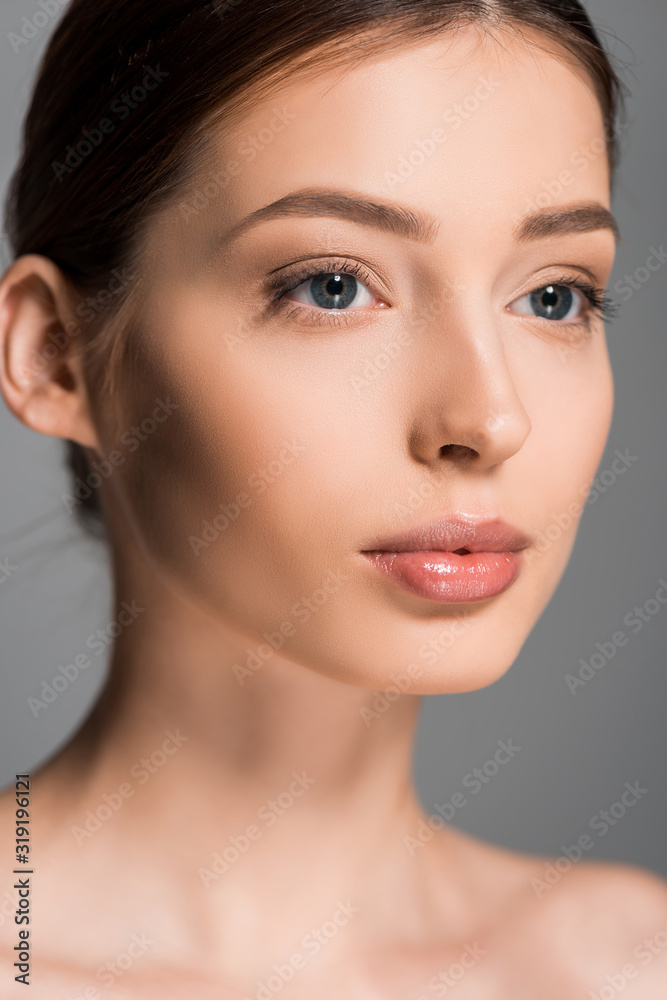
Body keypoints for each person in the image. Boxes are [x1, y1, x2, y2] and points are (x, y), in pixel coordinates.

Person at [1, 0, 666, 996]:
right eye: (330, 286)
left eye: (552, 295)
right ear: (54, 356)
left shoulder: (628, 963)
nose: (489, 418)